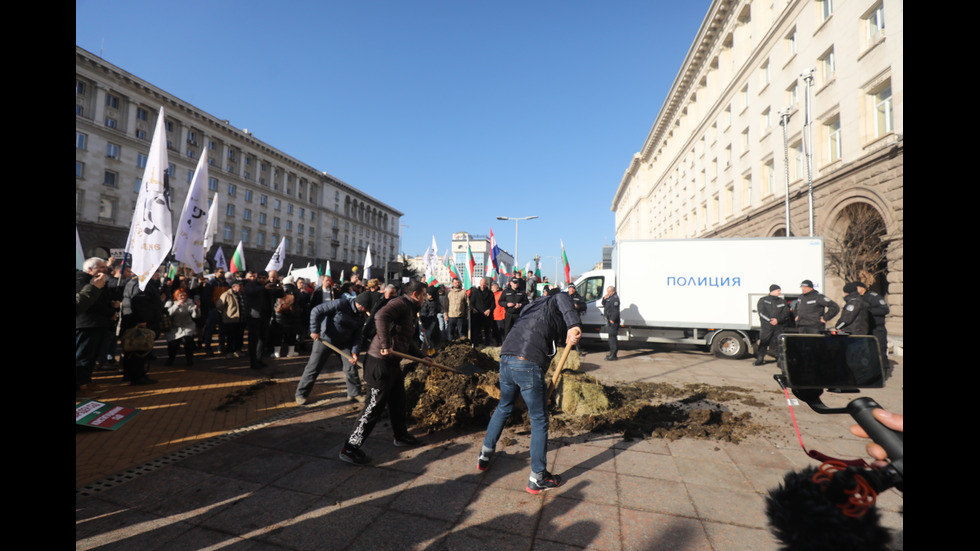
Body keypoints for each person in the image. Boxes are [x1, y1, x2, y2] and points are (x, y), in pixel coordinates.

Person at [478, 289, 582, 494]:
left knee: (504, 407)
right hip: (527, 363)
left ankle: (484, 455)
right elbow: (562, 297)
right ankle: (538, 478)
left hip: (506, 359)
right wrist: (574, 325)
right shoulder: (555, 299)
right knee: (539, 419)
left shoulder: (530, 307)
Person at [339, 281, 432, 465]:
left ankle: (400, 436)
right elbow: (380, 316)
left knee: (399, 400)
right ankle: (350, 448)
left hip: (392, 364)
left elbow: (406, 340)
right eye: (423, 294)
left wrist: (422, 356)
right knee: (373, 406)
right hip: (378, 363)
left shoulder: (411, 309)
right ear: (415, 294)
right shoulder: (400, 303)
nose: (425, 298)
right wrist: (385, 345)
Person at [295, 291, 371, 405]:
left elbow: (357, 335)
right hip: (325, 340)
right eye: (366, 308)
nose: (366, 311)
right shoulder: (340, 304)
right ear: (360, 304)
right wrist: (315, 330)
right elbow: (316, 310)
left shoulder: (361, 316)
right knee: (313, 367)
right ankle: (301, 394)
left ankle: (354, 393)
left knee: (351, 367)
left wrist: (355, 352)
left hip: (344, 343)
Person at [754, 284, 790, 365]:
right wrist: (770, 320)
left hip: (779, 326)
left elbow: (786, 313)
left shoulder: (782, 301)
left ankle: (780, 361)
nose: (780, 292)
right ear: (773, 291)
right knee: (764, 342)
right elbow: (761, 312)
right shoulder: (763, 300)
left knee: (779, 344)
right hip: (767, 326)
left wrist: (778, 320)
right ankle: (760, 359)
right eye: (778, 290)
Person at [164, 289, 200, 366]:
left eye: (184, 295)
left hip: (187, 326)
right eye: (181, 296)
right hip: (174, 327)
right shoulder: (171, 303)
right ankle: (171, 359)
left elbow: (195, 316)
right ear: (176, 296)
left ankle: (189, 359)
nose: (183, 297)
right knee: (172, 344)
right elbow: (168, 313)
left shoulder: (190, 302)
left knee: (187, 341)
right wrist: (176, 305)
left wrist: (196, 308)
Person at [856, 282, 890, 361]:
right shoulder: (857, 298)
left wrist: (868, 311)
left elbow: (885, 310)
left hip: (877, 329)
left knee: (879, 351)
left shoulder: (874, 297)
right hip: (864, 330)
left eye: (856, 287)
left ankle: (883, 370)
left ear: (862, 288)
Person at [217, 280, 246, 357]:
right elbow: (219, 306)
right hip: (230, 319)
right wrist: (226, 313)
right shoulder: (227, 294)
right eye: (239, 285)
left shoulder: (243, 294)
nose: (241, 287)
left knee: (239, 336)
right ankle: (229, 352)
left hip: (241, 319)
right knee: (230, 337)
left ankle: (238, 350)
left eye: (242, 285)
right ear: (234, 287)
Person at [470, 277, 495, 345]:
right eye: (481, 285)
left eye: (484, 285)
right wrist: (473, 309)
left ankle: (487, 344)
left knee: (487, 332)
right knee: (476, 332)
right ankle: (476, 344)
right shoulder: (475, 292)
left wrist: (489, 310)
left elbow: (493, 304)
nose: (482, 286)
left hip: (487, 315)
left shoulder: (490, 293)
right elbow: (471, 303)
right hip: (477, 315)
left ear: (486, 285)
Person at [567, 285, 588, 357]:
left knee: (576, 335)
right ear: (568, 289)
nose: (572, 290)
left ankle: (578, 351)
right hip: (566, 319)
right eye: (570, 288)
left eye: (573, 288)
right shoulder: (565, 296)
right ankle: (568, 351)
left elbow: (584, 306)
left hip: (575, 319)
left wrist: (578, 306)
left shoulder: (578, 297)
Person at [602, 286, 621, 361]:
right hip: (609, 320)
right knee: (610, 338)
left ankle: (614, 355)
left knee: (612, 338)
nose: (608, 293)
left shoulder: (615, 298)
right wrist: (604, 298)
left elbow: (615, 311)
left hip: (613, 321)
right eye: (607, 291)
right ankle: (611, 353)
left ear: (613, 292)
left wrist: (612, 319)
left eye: (609, 292)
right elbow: (604, 304)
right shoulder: (610, 297)